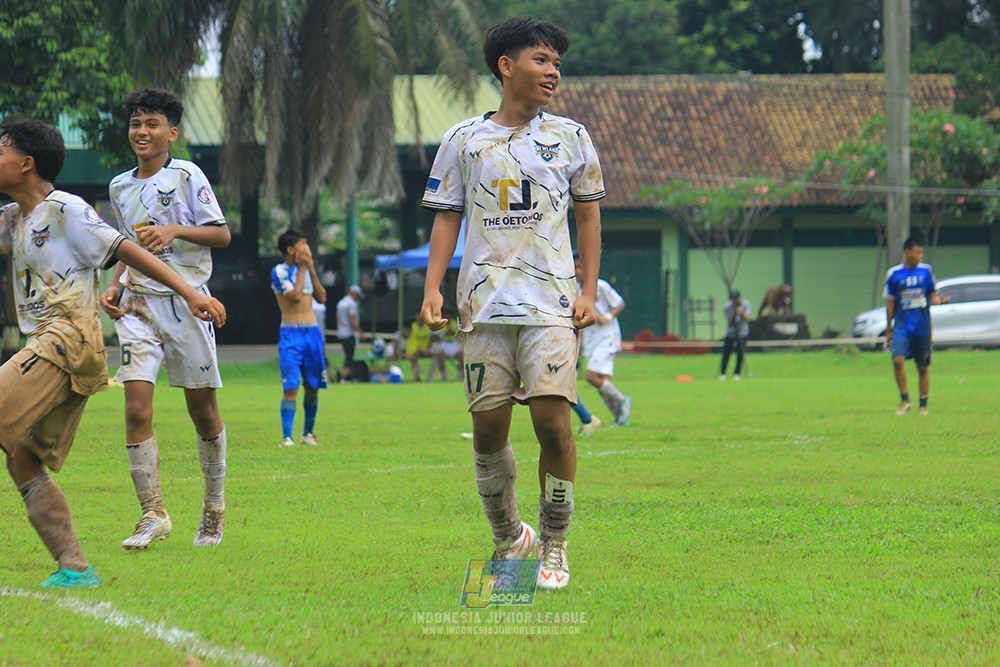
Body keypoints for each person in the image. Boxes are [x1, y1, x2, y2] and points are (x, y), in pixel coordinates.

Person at [0, 116, 225, 586]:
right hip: (51, 347)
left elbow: (127, 249)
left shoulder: (67, 210)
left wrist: (190, 292)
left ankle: (205, 510)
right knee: (22, 457)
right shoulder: (15, 217)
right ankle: (74, 567)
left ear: (25, 164)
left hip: (67, 342)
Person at [420, 16, 604, 591]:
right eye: (541, 60)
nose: (553, 72)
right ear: (507, 66)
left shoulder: (572, 137)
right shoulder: (462, 140)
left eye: (556, 63)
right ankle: (507, 540)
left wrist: (590, 290)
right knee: (488, 431)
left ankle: (554, 544)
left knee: (553, 424)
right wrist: (432, 288)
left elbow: (590, 214)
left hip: (551, 305)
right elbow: (447, 217)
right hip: (482, 308)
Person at [100, 87, 232, 550]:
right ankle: (151, 514)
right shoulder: (119, 186)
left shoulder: (187, 175)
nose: (142, 131)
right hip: (137, 306)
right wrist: (116, 281)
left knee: (202, 412)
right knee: (136, 406)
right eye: (136, 123)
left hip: (188, 305)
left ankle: (213, 510)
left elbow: (222, 234)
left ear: (171, 133)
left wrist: (175, 228)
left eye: (152, 123)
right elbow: (125, 245)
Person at [271, 228, 328, 445]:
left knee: (313, 386)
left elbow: (322, 298)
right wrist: (303, 268)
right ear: (290, 249)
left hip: (312, 332)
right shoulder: (279, 271)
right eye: (303, 245)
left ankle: (308, 434)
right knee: (291, 386)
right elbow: (294, 297)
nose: (307, 249)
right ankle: (287, 436)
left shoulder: (307, 270)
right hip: (290, 333)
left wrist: (311, 270)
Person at [885, 236, 948, 415]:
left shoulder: (926, 271)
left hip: (922, 327)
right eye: (917, 252)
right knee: (897, 361)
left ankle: (923, 405)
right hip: (902, 326)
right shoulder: (894, 274)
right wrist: (889, 328)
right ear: (907, 252)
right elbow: (890, 303)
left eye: (922, 252)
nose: (920, 255)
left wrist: (939, 300)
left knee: (922, 366)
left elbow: (932, 295)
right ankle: (905, 400)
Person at [575, 254, 631, 426]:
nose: (578, 272)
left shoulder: (601, 285)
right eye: (575, 268)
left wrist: (607, 316)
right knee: (601, 379)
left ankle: (622, 400)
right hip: (590, 339)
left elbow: (619, 303)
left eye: (581, 268)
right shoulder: (574, 289)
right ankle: (620, 417)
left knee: (591, 376)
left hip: (607, 336)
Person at [720, 289, 750, 381]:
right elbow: (730, 322)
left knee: (740, 353)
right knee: (726, 353)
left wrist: (740, 312)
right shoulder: (727, 306)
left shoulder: (746, 304)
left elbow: (747, 318)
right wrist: (734, 313)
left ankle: (737, 373)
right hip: (731, 333)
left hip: (742, 332)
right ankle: (723, 373)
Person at [335, 284, 364, 379]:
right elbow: (352, 320)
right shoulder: (352, 304)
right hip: (348, 333)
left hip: (341, 333)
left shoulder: (341, 303)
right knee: (349, 356)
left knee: (347, 354)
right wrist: (360, 332)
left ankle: (347, 375)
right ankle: (345, 376)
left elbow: (337, 319)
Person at [404, 310, 436, 382]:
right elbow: (405, 335)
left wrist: (428, 348)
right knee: (415, 356)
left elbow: (431, 339)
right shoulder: (412, 326)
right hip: (413, 350)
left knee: (435, 356)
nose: (420, 317)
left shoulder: (428, 327)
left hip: (424, 350)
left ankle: (430, 377)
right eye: (419, 315)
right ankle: (416, 377)